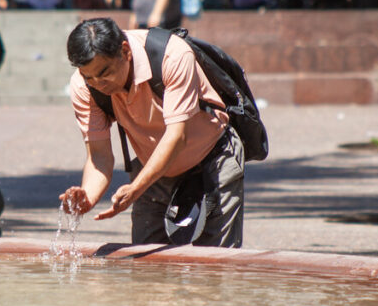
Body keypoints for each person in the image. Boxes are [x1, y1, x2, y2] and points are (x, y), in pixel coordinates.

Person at [60, 18, 245, 248]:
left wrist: (136, 188)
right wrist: (87, 197)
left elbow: (177, 136)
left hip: (214, 158)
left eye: (105, 72)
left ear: (125, 51)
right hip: (152, 170)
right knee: (146, 267)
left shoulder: (172, 55)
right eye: (89, 76)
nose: (99, 83)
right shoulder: (83, 86)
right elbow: (99, 156)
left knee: (215, 264)